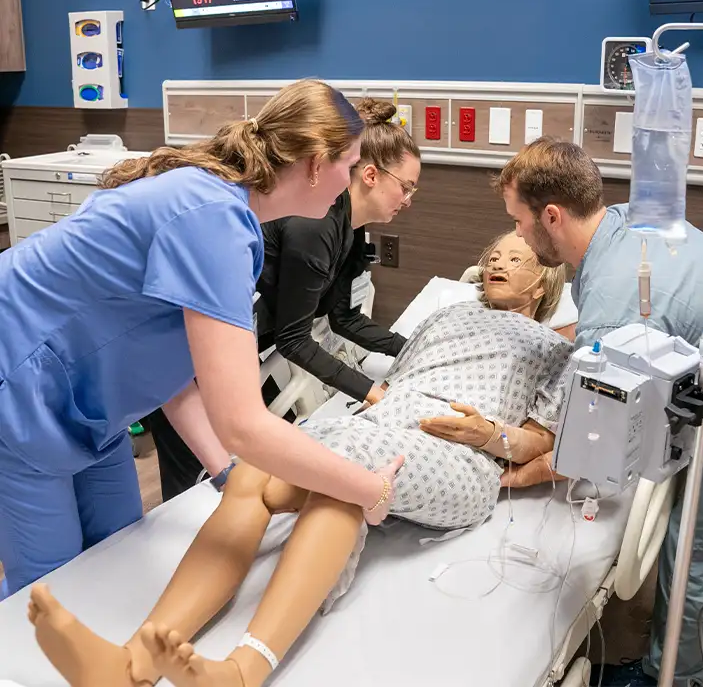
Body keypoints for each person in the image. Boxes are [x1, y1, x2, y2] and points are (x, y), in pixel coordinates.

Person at [25, 232, 574, 687]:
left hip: (462, 455)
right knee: (255, 473)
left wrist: (488, 434)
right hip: (383, 427)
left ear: (545, 278)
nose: (498, 261)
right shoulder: (443, 317)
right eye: (494, 255)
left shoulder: (555, 350)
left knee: (337, 471)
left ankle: (243, 669)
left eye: (517, 257)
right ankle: (133, 663)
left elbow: (537, 443)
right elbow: (398, 380)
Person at [0, 79, 404, 600]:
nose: (348, 184)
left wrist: (229, 476)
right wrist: (371, 488)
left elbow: (175, 368)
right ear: (312, 164)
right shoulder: (211, 218)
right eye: (347, 167)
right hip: (20, 396)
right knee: (50, 595)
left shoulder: (232, 214)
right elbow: (242, 422)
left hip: (90, 404)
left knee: (118, 550)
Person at [495, 136, 703, 686]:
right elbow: (624, 323)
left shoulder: (613, 297)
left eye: (518, 221)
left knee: (697, 555)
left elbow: (590, 448)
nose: (515, 234)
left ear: (552, 215)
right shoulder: (627, 221)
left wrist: (515, 475)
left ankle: (676, 676)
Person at [150, 98, 422, 501]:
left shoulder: (349, 229)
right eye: (407, 187)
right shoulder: (313, 227)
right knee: (189, 494)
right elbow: (295, 340)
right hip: (189, 366)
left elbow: (343, 317)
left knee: (218, 482)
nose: (409, 200)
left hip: (228, 353)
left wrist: (414, 349)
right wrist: (372, 393)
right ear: (368, 174)